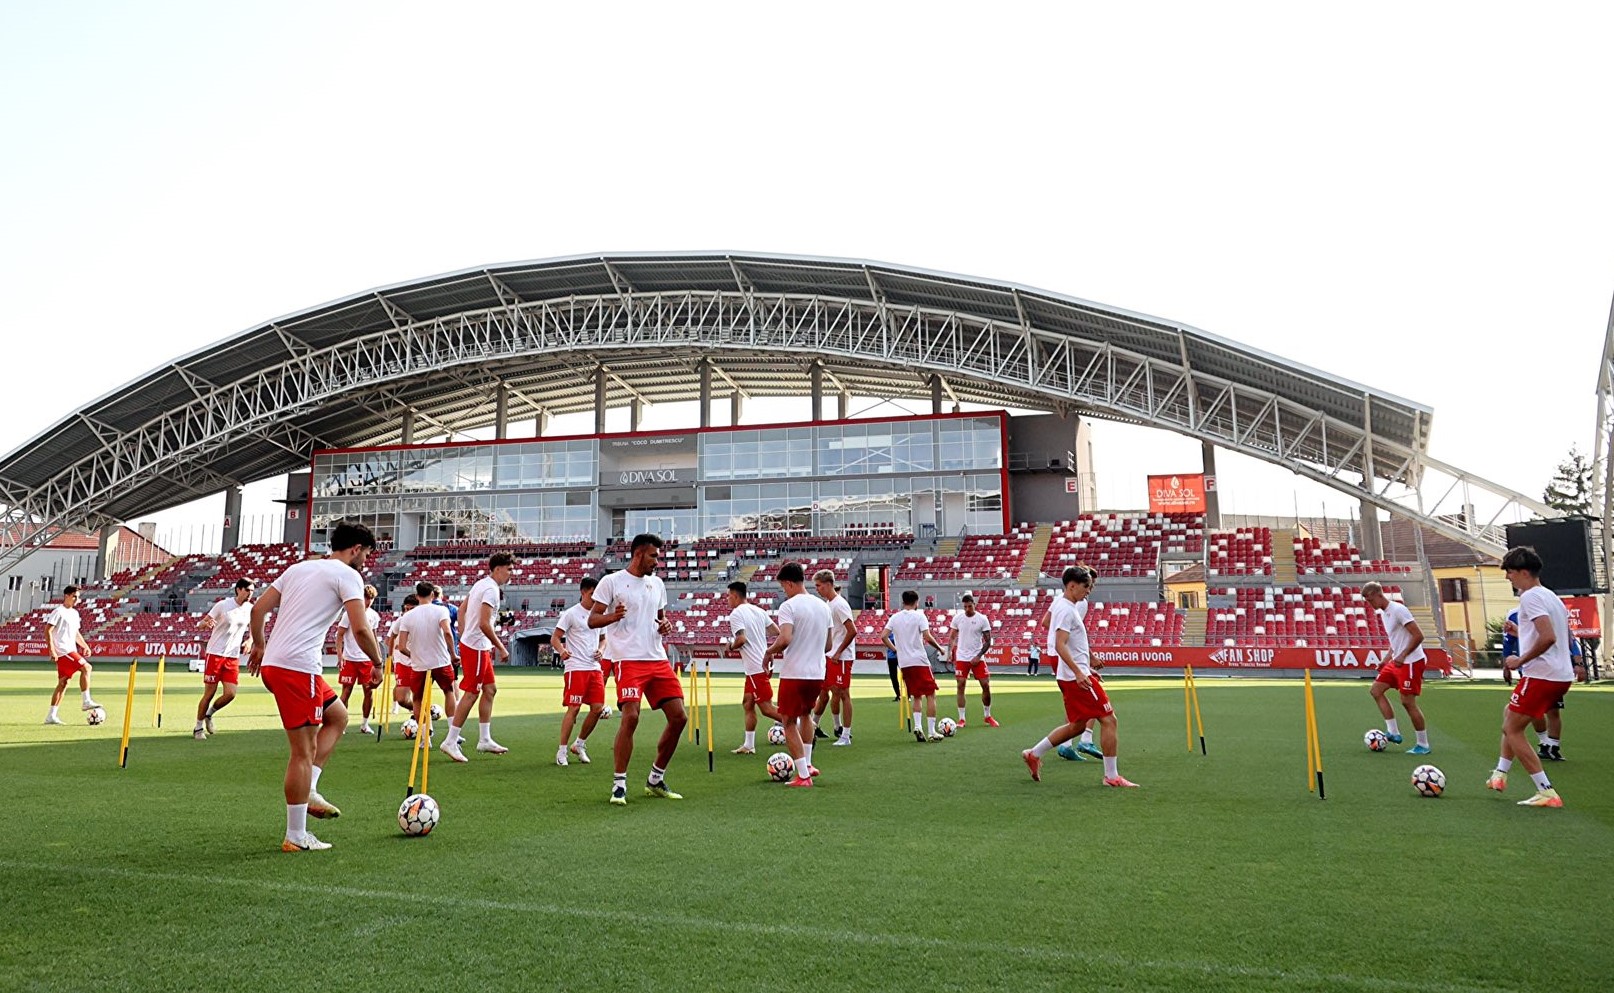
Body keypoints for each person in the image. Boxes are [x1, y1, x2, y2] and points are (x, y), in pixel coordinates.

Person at [248, 522, 384, 852]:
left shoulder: (299, 568)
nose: (365, 561)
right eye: (366, 554)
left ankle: (310, 789)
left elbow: (258, 609)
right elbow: (360, 629)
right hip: (298, 668)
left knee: (338, 716)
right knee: (302, 752)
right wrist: (378, 662)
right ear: (355, 549)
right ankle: (296, 835)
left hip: (277, 664)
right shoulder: (348, 575)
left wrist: (259, 645)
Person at [590, 534, 687, 805]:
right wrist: (613, 616)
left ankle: (655, 779)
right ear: (638, 554)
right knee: (631, 717)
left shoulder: (657, 584)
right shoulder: (611, 582)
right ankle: (619, 785)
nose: (657, 561)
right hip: (628, 660)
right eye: (653, 556)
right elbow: (592, 619)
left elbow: (660, 619)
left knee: (679, 718)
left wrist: (665, 626)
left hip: (657, 659)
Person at [1022, 566, 1138, 788]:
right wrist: (1078, 672)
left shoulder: (1066, 606)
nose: (1089, 590)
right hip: (1075, 678)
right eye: (1086, 586)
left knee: (1077, 725)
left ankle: (1033, 754)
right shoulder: (1066, 610)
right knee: (1109, 719)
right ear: (1072, 586)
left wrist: (1085, 667)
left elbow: (1071, 644)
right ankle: (1111, 776)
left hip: (1073, 675)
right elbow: (1060, 644)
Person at [1488, 546, 1574, 808]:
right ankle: (1500, 774)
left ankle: (1546, 790)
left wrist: (1520, 660)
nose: (1507, 577)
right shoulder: (1551, 596)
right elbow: (1558, 636)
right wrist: (1519, 633)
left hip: (1541, 675)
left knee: (1512, 729)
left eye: (1510, 572)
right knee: (1510, 714)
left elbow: (1548, 637)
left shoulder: (1530, 597)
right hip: (1558, 674)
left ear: (1524, 572)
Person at [763, 562, 832, 787]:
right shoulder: (823, 607)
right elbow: (829, 645)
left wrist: (769, 652)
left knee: (788, 721)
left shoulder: (789, 606)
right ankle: (808, 764)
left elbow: (785, 638)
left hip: (795, 672)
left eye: (783, 586)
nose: (784, 591)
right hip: (817, 672)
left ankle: (802, 775)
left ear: (789, 583)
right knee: (806, 715)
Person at [441, 552, 513, 762]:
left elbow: (462, 610)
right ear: (498, 569)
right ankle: (450, 741)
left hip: (474, 644)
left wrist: (464, 634)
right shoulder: (491, 590)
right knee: (471, 692)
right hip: (478, 647)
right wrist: (501, 647)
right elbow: (484, 624)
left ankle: (485, 738)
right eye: (509, 569)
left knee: (490, 689)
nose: (511, 574)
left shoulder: (481, 584)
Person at [1503, 609, 1584, 760]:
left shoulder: (1554, 610)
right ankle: (1545, 741)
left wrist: (1578, 663)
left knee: (1552, 710)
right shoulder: (1514, 614)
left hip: (1552, 670)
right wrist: (1506, 665)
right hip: (1530, 669)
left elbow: (1568, 639)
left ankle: (1553, 746)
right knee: (1532, 709)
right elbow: (1509, 641)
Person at [1363, 582, 1431, 755]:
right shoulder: (1384, 613)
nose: (1370, 604)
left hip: (1411, 662)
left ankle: (1423, 744)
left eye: (1371, 600)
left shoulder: (1399, 610)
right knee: (1376, 690)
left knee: (1407, 702)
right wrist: (1386, 660)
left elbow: (1419, 636)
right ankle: (1393, 732)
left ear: (1379, 595)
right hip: (1397, 661)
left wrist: (1403, 655)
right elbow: (1395, 640)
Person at [554, 576, 607, 767]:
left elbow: (603, 639)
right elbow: (555, 637)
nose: (595, 598)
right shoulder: (571, 614)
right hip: (576, 667)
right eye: (592, 594)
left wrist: (601, 650)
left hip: (594, 667)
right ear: (583, 592)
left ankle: (579, 744)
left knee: (598, 708)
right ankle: (561, 751)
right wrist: (562, 650)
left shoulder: (599, 615)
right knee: (574, 708)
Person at [724, 580, 783, 754]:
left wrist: (730, 647)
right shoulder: (759, 611)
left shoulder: (736, 614)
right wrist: (769, 650)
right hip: (758, 666)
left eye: (728, 596)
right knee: (748, 703)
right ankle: (749, 745)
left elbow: (741, 639)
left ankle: (804, 724)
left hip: (756, 667)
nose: (727, 599)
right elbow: (776, 632)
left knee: (767, 709)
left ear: (735, 596)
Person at [393, 584, 458, 739]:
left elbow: (401, 647)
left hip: (419, 665)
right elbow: (448, 633)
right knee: (449, 691)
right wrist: (453, 654)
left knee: (417, 698)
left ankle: (424, 737)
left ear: (417, 596)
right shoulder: (441, 610)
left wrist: (414, 656)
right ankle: (453, 735)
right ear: (432, 595)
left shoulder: (407, 616)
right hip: (440, 661)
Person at [194, 579, 253, 739]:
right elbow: (200, 624)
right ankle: (198, 727)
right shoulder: (223, 605)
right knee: (209, 693)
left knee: (230, 694)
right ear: (239, 589)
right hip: (215, 654)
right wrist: (205, 624)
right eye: (248, 590)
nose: (250, 594)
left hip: (232, 657)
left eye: (252, 591)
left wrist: (250, 640)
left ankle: (209, 714)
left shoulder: (250, 608)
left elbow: (254, 628)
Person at [883, 590, 945, 742]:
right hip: (919, 660)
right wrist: (939, 648)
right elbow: (927, 637)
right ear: (916, 602)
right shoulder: (919, 616)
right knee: (930, 694)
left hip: (904, 662)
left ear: (903, 601)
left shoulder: (895, 618)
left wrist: (895, 649)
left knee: (916, 695)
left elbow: (883, 636)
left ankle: (918, 726)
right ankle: (931, 731)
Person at [813, 569, 858, 746]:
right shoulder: (828, 604)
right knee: (824, 693)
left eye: (819, 585)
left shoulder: (840, 605)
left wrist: (838, 652)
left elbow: (852, 631)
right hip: (829, 656)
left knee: (843, 693)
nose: (817, 589)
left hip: (841, 658)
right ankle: (813, 726)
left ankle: (845, 735)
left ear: (828, 584)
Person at [44, 585, 99, 724]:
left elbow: (75, 633)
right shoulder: (58, 611)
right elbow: (48, 630)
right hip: (63, 651)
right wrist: (52, 650)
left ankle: (51, 716)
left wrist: (85, 646)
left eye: (78, 597)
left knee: (63, 683)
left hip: (70, 650)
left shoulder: (75, 613)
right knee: (87, 668)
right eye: (74, 596)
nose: (76, 599)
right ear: (66, 596)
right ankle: (86, 701)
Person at [334, 584, 382, 735]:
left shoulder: (374, 616)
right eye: (366, 598)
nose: (368, 602)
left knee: (368, 691)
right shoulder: (349, 614)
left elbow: (373, 637)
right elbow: (339, 635)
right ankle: (340, 724)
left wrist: (378, 657)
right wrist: (340, 656)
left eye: (371, 599)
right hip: (349, 659)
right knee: (346, 692)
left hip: (366, 660)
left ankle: (365, 724)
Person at [949, 593, 998, 728]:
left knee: (985, 684)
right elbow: (952, 637)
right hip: (962, 657)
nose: (967, 609)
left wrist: (978, 655)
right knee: (960, 684)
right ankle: (962, 719)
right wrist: (950, 652)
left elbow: (988, 641)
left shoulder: (982, 619)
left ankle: (987, 716)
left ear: (974, 605)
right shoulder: (958, 618)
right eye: (965, 607)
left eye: (969, 606)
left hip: (977, 656)